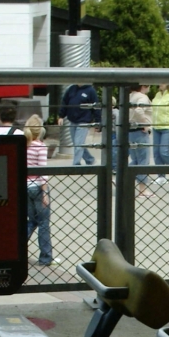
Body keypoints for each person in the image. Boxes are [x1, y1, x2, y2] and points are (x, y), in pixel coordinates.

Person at [24, 115, 58, 266]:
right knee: (44, 222)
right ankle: (45, 257)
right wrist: (45, 192)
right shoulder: (40, 147)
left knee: (31, 221)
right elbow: (42, 171)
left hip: (25, 186)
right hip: (37, 186)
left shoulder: (23, 145)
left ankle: (16, 249)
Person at [58, 82, 99, 165]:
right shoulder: (71, 89)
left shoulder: (91, 91)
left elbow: (96, 107)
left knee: (78, 144)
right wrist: (61, 116)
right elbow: (65, 102)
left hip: (84, 122)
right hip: (72, 121)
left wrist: (98, 122)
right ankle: (90, 159)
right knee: (77, 144)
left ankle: (76, 164)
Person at [128, 84, 154, 198]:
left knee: (135, 160)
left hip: (130, 131)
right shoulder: (142, 97)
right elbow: (139, 111)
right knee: (143, 160)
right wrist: (145, 124)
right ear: (144, 86)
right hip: (140, 131)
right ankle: (142, 190)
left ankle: (120, 178)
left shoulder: (130, 96)